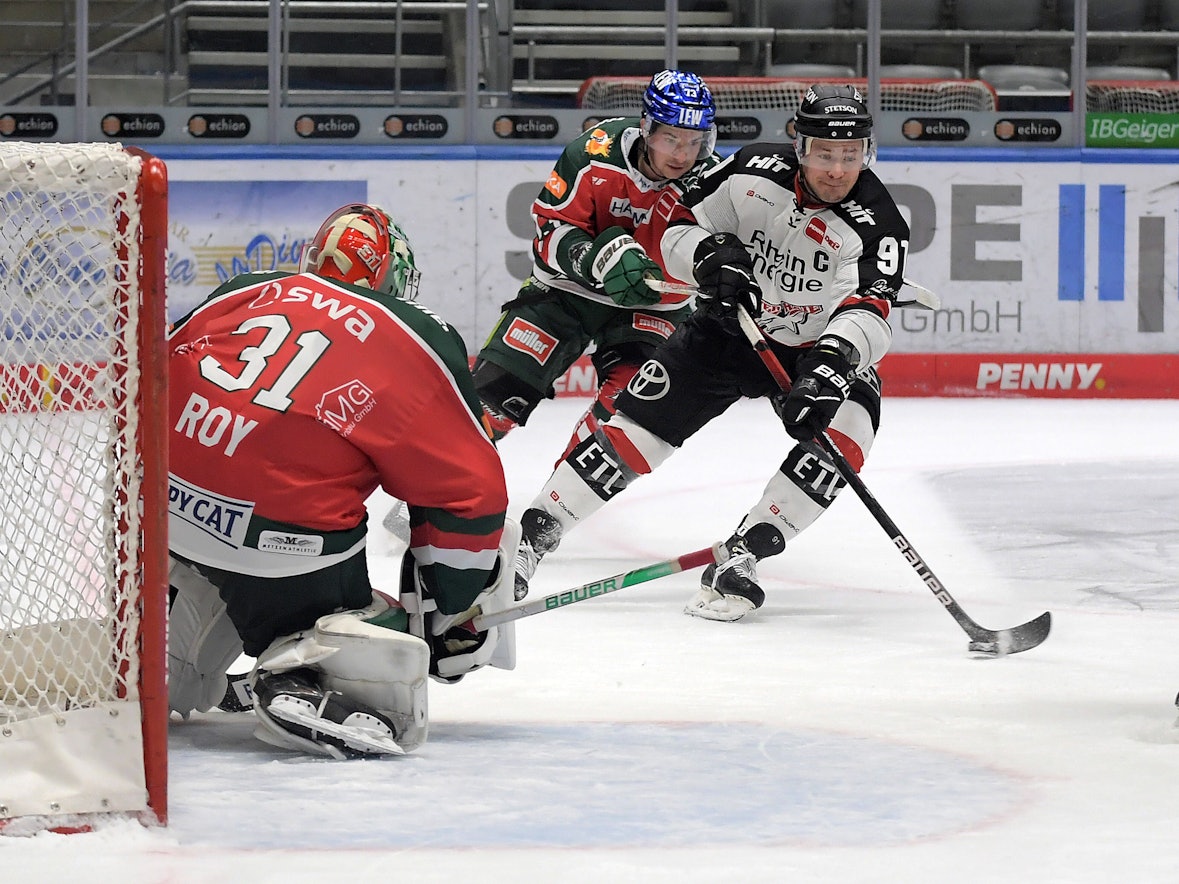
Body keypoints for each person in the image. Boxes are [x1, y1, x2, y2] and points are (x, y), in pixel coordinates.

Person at [510, 83, 911, 620]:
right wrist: (706, 258)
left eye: (850, 155)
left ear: (868, 152)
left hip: (813, 354)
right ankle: (534, 534)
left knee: (849, 431)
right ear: (800, 146)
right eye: (824, 154)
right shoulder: (749, 170)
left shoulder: (881, 223)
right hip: (730, 333)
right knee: (635, 426)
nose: (837, 170)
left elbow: (868, 310)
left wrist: (832, 366)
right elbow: (680, 230)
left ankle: (743, 556)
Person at [166, 203, 516, 758]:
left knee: (218, 544)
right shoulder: (416, 333)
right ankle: (302, 666)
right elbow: (469, 495)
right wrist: (450, 611)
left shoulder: (244, 288)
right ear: (391, 277)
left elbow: (158, 374)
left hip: (159, 516)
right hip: (277, 551)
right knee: (400, 639)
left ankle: (165, 651)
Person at [471, 69, 721, 553]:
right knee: (493, 397)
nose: (682, 154)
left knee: (625, 408)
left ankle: (549, 515)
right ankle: (438, 496)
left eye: (693, 142)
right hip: (564, 291)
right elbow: (550, 232)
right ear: (647, 127)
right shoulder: (593, 152)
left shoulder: (713, 180)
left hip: (656, 305)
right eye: (671, 138)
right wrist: (595, 260)